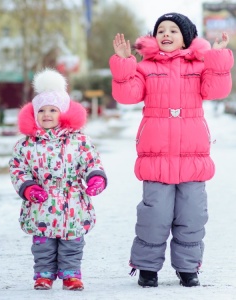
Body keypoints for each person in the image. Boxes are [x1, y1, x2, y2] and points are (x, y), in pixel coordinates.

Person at [109, 13, 233, 288]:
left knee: (192, 215)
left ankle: (188, 268)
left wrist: (218, 57)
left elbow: (217, 90)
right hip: (157, 155)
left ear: (186, 37)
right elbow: (126, 94)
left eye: (173, 30)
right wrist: (123, 63)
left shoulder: (199, 66)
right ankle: (147, 267)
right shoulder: (146, 67)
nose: (166, 34)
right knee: (154, 216)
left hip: (192, 155)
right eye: (161, 30)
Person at [9, 68, 107, 291]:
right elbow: (18, 168)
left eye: (52, 110)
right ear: (34, 114)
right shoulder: (26, 144)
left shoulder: (79, 140)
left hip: (72, 202)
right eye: (41, 110)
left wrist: (95, 177)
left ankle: (71, 274)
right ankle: (43, 274)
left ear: (62, 112)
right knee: (43, 244)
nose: (46, 115)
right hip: (40, 203)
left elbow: (91, 161)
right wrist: (28, 187)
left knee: (72, 241)